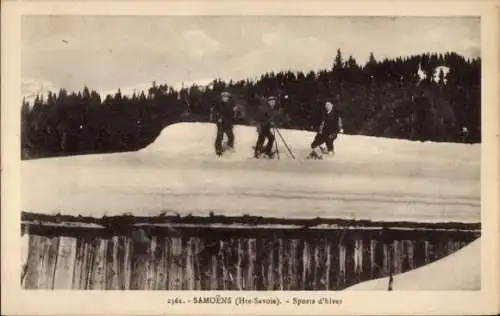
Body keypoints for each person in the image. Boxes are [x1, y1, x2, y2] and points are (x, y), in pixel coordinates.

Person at [210, 91, 236, 156]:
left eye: (227, 97)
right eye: (224, 97)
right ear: (221, 97)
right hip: (221, 123)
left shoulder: (230, 105)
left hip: (228, 123)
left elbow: (231, 115)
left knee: (231, 136)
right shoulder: (218, 104)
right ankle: (218, 149)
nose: (225, 98)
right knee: (220, 136)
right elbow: (214, 113)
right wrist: (218, 118)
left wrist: (234, 113)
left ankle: (229, 147)